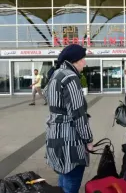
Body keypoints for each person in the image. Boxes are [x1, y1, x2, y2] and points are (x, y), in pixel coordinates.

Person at [44, 44, 93, 193]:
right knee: (71, 181)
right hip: (69, 140)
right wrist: (88, 140)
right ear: (75, 60)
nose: (85, 62)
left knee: (63, 179)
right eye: (83, 59)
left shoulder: (56, 74)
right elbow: (78, 114)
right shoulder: (70, 77)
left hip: (55, 135)